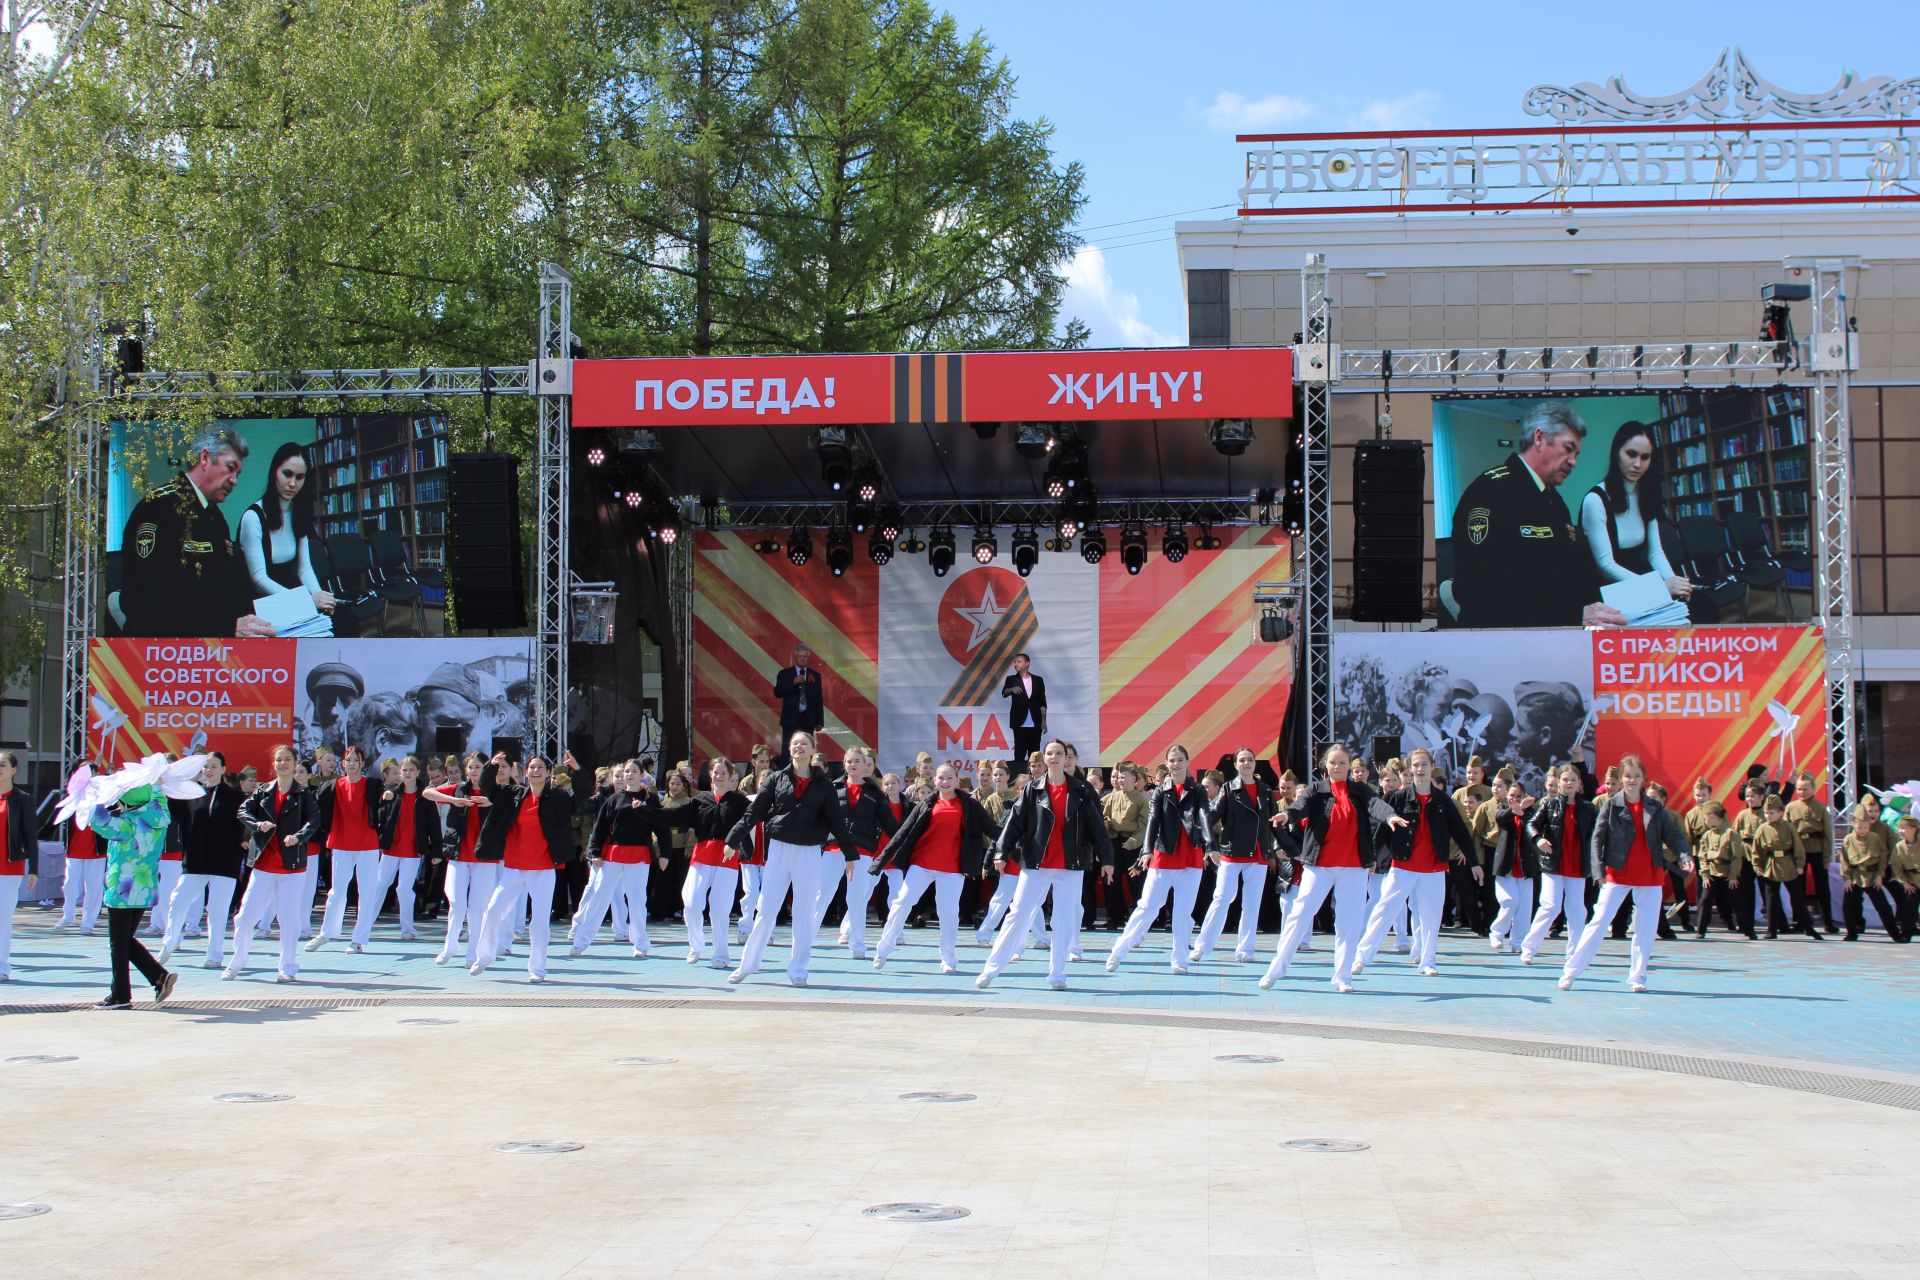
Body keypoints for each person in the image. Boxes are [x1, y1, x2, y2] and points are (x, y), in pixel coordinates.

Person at [1447, 401, 1629, 629]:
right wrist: (1573, 614)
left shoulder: (1554, 501)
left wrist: (1602, 606)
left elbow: (1566, 574)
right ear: (1540, 438)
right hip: (1504, 640)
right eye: (1568, 449)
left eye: (1577, 453)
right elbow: (1483, 590)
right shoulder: (1489, 492)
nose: (1573, 462)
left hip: (1557, 631)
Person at [1260, 743, 1407, 994]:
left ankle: (1342, 975)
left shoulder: (1361, 790)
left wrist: (1390, 816)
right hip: (1320, 866)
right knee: (1299, 915)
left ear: (1349, 765)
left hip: (1353, 867)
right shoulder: (1316, 790)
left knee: (1349, 923)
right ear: (1325, 766)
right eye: (1332, 763)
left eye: (1342, 763)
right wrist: (1287, 815)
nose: (1337, 767)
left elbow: (1377, 805)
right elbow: (1300, 805)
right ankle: (1277, 967)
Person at [975, 739, 1115, 992]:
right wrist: (1001, 852)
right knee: (1017, 913)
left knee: (1063, 919)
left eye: (1059, 753)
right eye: (1049, 753)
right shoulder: (1032, 789)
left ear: (1067, 758)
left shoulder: (1081, 790)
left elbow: (1096, 828)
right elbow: (1014, 823)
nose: (1054, 757)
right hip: (1036, 863)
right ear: (1044, 759)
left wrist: (1107, 859)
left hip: (1070, 865)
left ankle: (1057, 974)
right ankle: (992, 967)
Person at [117, 426, 277, 638]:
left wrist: (253, 621)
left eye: (238, 474)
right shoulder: (157, 508)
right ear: (204, 458)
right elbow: (145, 602)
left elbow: (226, 587)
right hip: (163, 654)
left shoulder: (215, 517)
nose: (234, 481)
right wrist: (227, 626)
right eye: (230, 468)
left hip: (213, 648)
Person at [723, 731, 853, 988]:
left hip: (808, 851)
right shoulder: (776, 778)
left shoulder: (824, 784)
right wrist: (733, 838)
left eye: (804, 743)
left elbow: (836, 821)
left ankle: (798, 969)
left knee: (804, 911)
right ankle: (748, 964)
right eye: (794, 744)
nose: (799, 747)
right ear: (789, 750)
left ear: (813, 749)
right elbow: (755, 811)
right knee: (767, 907)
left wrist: (850, 853)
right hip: (780, 848)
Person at [1560, 756, 1693, 992]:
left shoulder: (1654, 807)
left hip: (1649, 875)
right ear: (1621, 779)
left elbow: (1673, 835)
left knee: (1646, 928)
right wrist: (1598, 870)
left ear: (1643, 780)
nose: (1632, 780)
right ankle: (1571, 972)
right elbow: (1597, 838)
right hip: (1617, 873)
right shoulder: (1612, 805)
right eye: (1628, 776)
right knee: (1599, 922)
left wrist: (1684, 855)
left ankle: (1638, 977)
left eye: (1637, 776)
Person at [1355, 746, 1476, 976]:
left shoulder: (1442, 800)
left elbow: (1460, 831)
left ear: (1432, 767)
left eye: (1424, 765)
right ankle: (1362, 956)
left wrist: (1475, 862)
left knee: (1431, 917)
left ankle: (1428, 960)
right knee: (1384, 910)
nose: (1420, 769)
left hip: (1433, 868)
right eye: (1416, 765)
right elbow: (1381, 830)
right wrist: (1369, 858)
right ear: (1409, 769)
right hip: (1402, 866)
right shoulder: (1398, 797)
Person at [871, 764, 998, 973]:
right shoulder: (926, 804)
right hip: (922, 864)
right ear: (934, 781)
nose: (945, 782)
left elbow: (992, 829)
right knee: (902, 901)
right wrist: (880, 862)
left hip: (953, 868)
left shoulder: (970, 805)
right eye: (941, 778)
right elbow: (902, 833)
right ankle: (884, 947)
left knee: (948, 913)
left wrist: (1016, 843)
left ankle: (948, 958)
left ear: (958, 781)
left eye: (949, 778)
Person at [1106, 745, 1217, 974]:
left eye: (1180, 759)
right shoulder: (1160, 791)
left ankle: (1179, 961)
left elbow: (1204, 816)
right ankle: (1119, 950)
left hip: (1191, 857)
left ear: (1188, 762)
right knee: (1147, 906)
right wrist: (1146, 851)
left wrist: (1211, 845)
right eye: (1172, 760)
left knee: (1182, 911)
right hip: (1164, 855)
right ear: (1166, 763)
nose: (1176, 764)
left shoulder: (1197, 791)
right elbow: (1153, 822)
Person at [469, 752, 577, 981]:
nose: (535, 771)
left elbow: (584, 795)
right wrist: (493, 765)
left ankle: (537, 968)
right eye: (531, 767)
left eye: (540, 768)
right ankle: (484, 956)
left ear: (548, 773)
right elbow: (488, 787)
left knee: (539, 921)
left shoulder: (557, 797)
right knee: (493, 910)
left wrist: (576, 769)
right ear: (525, 772)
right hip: (515, 867)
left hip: (543, 868)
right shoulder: (513, 794)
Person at [227, 745, 319, 982]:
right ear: (274, 764)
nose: (283, 764)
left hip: (292, 867)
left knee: (289, 920)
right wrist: (257, 826)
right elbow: (243, 811)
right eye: (279, 760)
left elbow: (314, 820)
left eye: (287, 759)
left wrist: (298, 836)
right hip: (264, 865)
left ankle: (287, 967)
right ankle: (239, 958)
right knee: (245, 916)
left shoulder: (303, 794)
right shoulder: (263, 791)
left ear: (295, 763)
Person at [1192, 748, 1293, 964]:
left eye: (1250, 760)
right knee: (1222, 898)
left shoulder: (1266, 791)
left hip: (1258, 855)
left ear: (1255, 763)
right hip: (1232, 853)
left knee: (1252, 903)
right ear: (1236, 765)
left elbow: (1274, 823)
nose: (1246, 763)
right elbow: (1210, 816)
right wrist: (1207, 842)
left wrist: (1286, 847)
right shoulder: (1228, 789)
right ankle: (1202, 945)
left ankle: (1246, 949)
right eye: (1242, 760)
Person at [1578, 420, 1692, 606]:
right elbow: (1605, 566)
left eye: (1645, 457)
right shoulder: (1596, 499)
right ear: (1617, 453)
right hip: (1609, 589)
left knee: (1698, 607)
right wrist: (1659, 587)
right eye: (1631, 454)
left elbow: (1655, 553)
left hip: (1640, 578)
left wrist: (1675, 584)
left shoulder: (1646, 495)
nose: (1637, 464)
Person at [653, 758, 751, 968]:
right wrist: (645, 811)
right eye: (716, 772)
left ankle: (721, 954)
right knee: (690, 902)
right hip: (702, 857)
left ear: (731, 776)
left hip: (726, 859)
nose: (719, 776)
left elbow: (755, 817)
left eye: (724, 772)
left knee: (719, 908)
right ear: (710, 775)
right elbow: (672, 815)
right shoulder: (700, 800)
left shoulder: (739, 802)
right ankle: (696, 945)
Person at [88, 786, 180, 1008]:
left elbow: (97, 821)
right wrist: (155, 786)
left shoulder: (128, 823)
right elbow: (159, 797)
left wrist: (94, 797)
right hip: (145, 887)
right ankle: (157, 978)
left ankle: (122, 995)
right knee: (124, 940)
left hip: (122, 889)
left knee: (119, 943)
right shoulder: (160, 816)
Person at [160, 753, 246, 970]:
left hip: (225, 862)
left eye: (214, 766)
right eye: (206, 766)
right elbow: (172, 811)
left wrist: (247, 840)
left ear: (224, 769)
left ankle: (214, 955)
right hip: (196, 860)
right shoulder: (190, 794)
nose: (209, 770)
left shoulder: (235, 797)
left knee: (217, 910)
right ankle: (169, 943)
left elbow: (247, 821)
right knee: (177, 901)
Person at [237, 441, 337, 621]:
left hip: (290, 595)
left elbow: (304, 568)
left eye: (299, 477)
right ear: (274, 472)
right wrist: (306, 601)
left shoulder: (299, 514)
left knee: (341, 621)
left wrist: (319, 597)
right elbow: (259, 580)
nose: (292, 483)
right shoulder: (253, 517)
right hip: (260, 603)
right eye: (287, 474)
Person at [813, 747, 897, 961]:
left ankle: (858, 944)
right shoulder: (833, 788)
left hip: (862, 851)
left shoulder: (875, 793)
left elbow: (889, 824)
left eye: (857, 761)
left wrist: (903, 842)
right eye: (849, 761)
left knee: (857, 898)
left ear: (865, 765)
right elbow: (818, 818)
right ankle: (805, 937)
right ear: (844, 764)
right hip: (833, 849)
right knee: (822, 894)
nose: (853, 764)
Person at [571, 760, 660, 959]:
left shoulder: (651, 799)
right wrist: (594, 851)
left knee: (637, 900)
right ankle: (582, 940)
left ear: (641, 775)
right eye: (626, 771)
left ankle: (640, 943)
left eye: (634, 771)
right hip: (614, 854)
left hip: (639, 856)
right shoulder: (614, 799)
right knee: (600, 896)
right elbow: (600, 827)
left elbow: (660, 826)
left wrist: (665, 853)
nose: (629, 775)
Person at [355, 754, 440, 948]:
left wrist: (435, 851)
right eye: (404, 770)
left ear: (418, 772)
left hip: (412, 852)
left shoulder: (425, 798)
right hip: (390, 850)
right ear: (400, 773)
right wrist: (384, 802)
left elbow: (434, 826)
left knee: (404, 889)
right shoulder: (392, 794)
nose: (408, 773)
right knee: (379, 886)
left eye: (411, 770)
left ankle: (407, 929)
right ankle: (364, 926)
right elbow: (378, 818)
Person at [423, 752, 498, 968]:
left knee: (477, 908)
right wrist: (452, 800)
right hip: (458, 855)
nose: (474, 771)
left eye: (478, 767)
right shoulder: (459, 788)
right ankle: (450, 945)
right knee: (456, 902)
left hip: (484, 858)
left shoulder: (494, 790)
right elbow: (427, 793)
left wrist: (490, 803)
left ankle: (472, 953)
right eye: (471, 767)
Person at [306, 744, 384, 953]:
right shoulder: (333, 786)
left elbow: (387, 797)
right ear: (343, 763)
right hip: (341, 843)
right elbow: (315, 807)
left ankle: (358, 940)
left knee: (366, 892)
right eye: (348, 760)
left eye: (356, 760)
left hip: (367, 844)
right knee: (337, 892)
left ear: (363, 764)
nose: (352, 764)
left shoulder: (373, 785)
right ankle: (326, 933)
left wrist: (389, 797)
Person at [1518, 763, 1595, 964]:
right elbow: (1531, 825)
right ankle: (1529, 947)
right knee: (1550, 906)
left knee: (1577, 909)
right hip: (1553, 864)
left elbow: (1597, 835)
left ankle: (1575, 952)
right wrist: (1538, 839)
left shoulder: (1588, 808)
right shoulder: (1549, 804)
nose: (1569, 783)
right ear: (1559, 782)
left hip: (1577, 865)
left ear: (1579, 784)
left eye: (1573, 780)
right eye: (1565, 779)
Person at [1749, 792, 1824, 942]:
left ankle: (1808, 927)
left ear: (1781, 812)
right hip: (1771, 866)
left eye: (1771, 813)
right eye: (1766, 813)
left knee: (1797, 898)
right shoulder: (1762, 829)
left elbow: (1798, 847)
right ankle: (1771, 929)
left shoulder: (1788, 827)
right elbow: (1757, 851)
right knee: (1771, 900)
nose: (1768, 815)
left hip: (1788, 864)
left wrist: (1799, 864)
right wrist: (1758, 869)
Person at [1839, 806, 1906, 943]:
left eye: (1865, 827)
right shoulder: (1848, 839)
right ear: (1853, 824)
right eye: (1859, 828)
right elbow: (1844, 860)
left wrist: (1880, 875)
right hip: (1855, 876)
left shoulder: (1875, 838)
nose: (1863, 831)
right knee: (1848, 906)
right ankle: (1851, 933)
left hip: (1872, 876)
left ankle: (1895, 934)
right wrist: (1846, 878)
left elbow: (1882, 857)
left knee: (1883, 906)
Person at [1690, 801, 1755, 940]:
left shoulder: (1731, 834)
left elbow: (1737, 857)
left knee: (1738, 902)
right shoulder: (1707, 835)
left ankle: (1748, 930)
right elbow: (1703, 856)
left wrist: (1733, 875)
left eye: (1705, 818)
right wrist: (1705, 875)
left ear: (1713, 816)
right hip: (1712, 873)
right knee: (1705, 900)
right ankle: (1700, 930)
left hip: (1727, 874)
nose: (1705, 821)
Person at [1486, 781, 1538, 954]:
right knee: (1509, 901)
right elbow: (1501, 819)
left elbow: (1534, 828)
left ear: (1523, 797)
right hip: (1506, 867)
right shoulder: (1502, 810)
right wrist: (1514, 810)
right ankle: (1497, 932)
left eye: (1518, 796)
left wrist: (1523, 811)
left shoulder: (1530, 813)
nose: (1515, 799)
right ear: (1507, 796)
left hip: (1525, 868)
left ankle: (1518, 942)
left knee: (1524, 907)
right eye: (1512, 796)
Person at [1784, 772, 1839, 934]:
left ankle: (1828, 922)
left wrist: (1827, 856)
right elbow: (1787, 832)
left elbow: (1828, 835)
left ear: (1813, 789)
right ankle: (1799, 921)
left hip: (1817, 850)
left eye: (1805, 789)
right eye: (1799, 789)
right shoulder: (1791, 808)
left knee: (1822, 888)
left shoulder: (1821, 808)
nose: (1802, 792)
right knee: (1797, 889)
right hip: (1799, 852)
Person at [0, 752, 36, 982]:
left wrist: (34, 868)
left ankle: (2, 966)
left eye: (2, 765)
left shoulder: (22, 798)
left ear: (14, 769)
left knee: (2, 918)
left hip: (9, 867)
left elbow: (30, 836)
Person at [771, 645, 825, 760]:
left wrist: (820, 720)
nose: (802, 659)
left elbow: (819, 699)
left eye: (805, 656)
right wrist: (793, 682)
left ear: (808, 658)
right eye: (800, 656)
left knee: (807, 748)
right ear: (795, 657)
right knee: (788, 748)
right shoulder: (785, 674)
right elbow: (778, 692)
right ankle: (786, 774)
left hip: (808, 719)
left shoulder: (815, 675)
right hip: (790, 719)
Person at [60, 807, 106, 935]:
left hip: (96, 853)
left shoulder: (103, 799)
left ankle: (88, 922)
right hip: (74, 851)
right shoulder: (73, 799)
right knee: (69, 884)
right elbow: (55, 818)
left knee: (94, 887)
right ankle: (68, 916)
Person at [1000, 653, 1048, 764]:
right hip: (1019, 721)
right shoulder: (1011, 679)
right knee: (1019, 752)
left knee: (1034, 753)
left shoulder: (1038, 680)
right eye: (1014, 662)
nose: (1015, 664)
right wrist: (1012, 689)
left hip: (1035, 721)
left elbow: (1042, 701)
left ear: (1027, 663)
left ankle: (1035, 778)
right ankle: (1019, 777)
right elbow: (1004, 693)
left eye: (1018, 661)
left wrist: (1044, 720)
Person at [1888, 816, 1920, 941]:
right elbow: (1896, 867)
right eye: (1899, 828)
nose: (1900, 831)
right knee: (1909, 908)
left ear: (1913, 829)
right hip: (1911, 881)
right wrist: (1904, 883)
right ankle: (1907, 932)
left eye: (1903, 828)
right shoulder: (1899, 847)